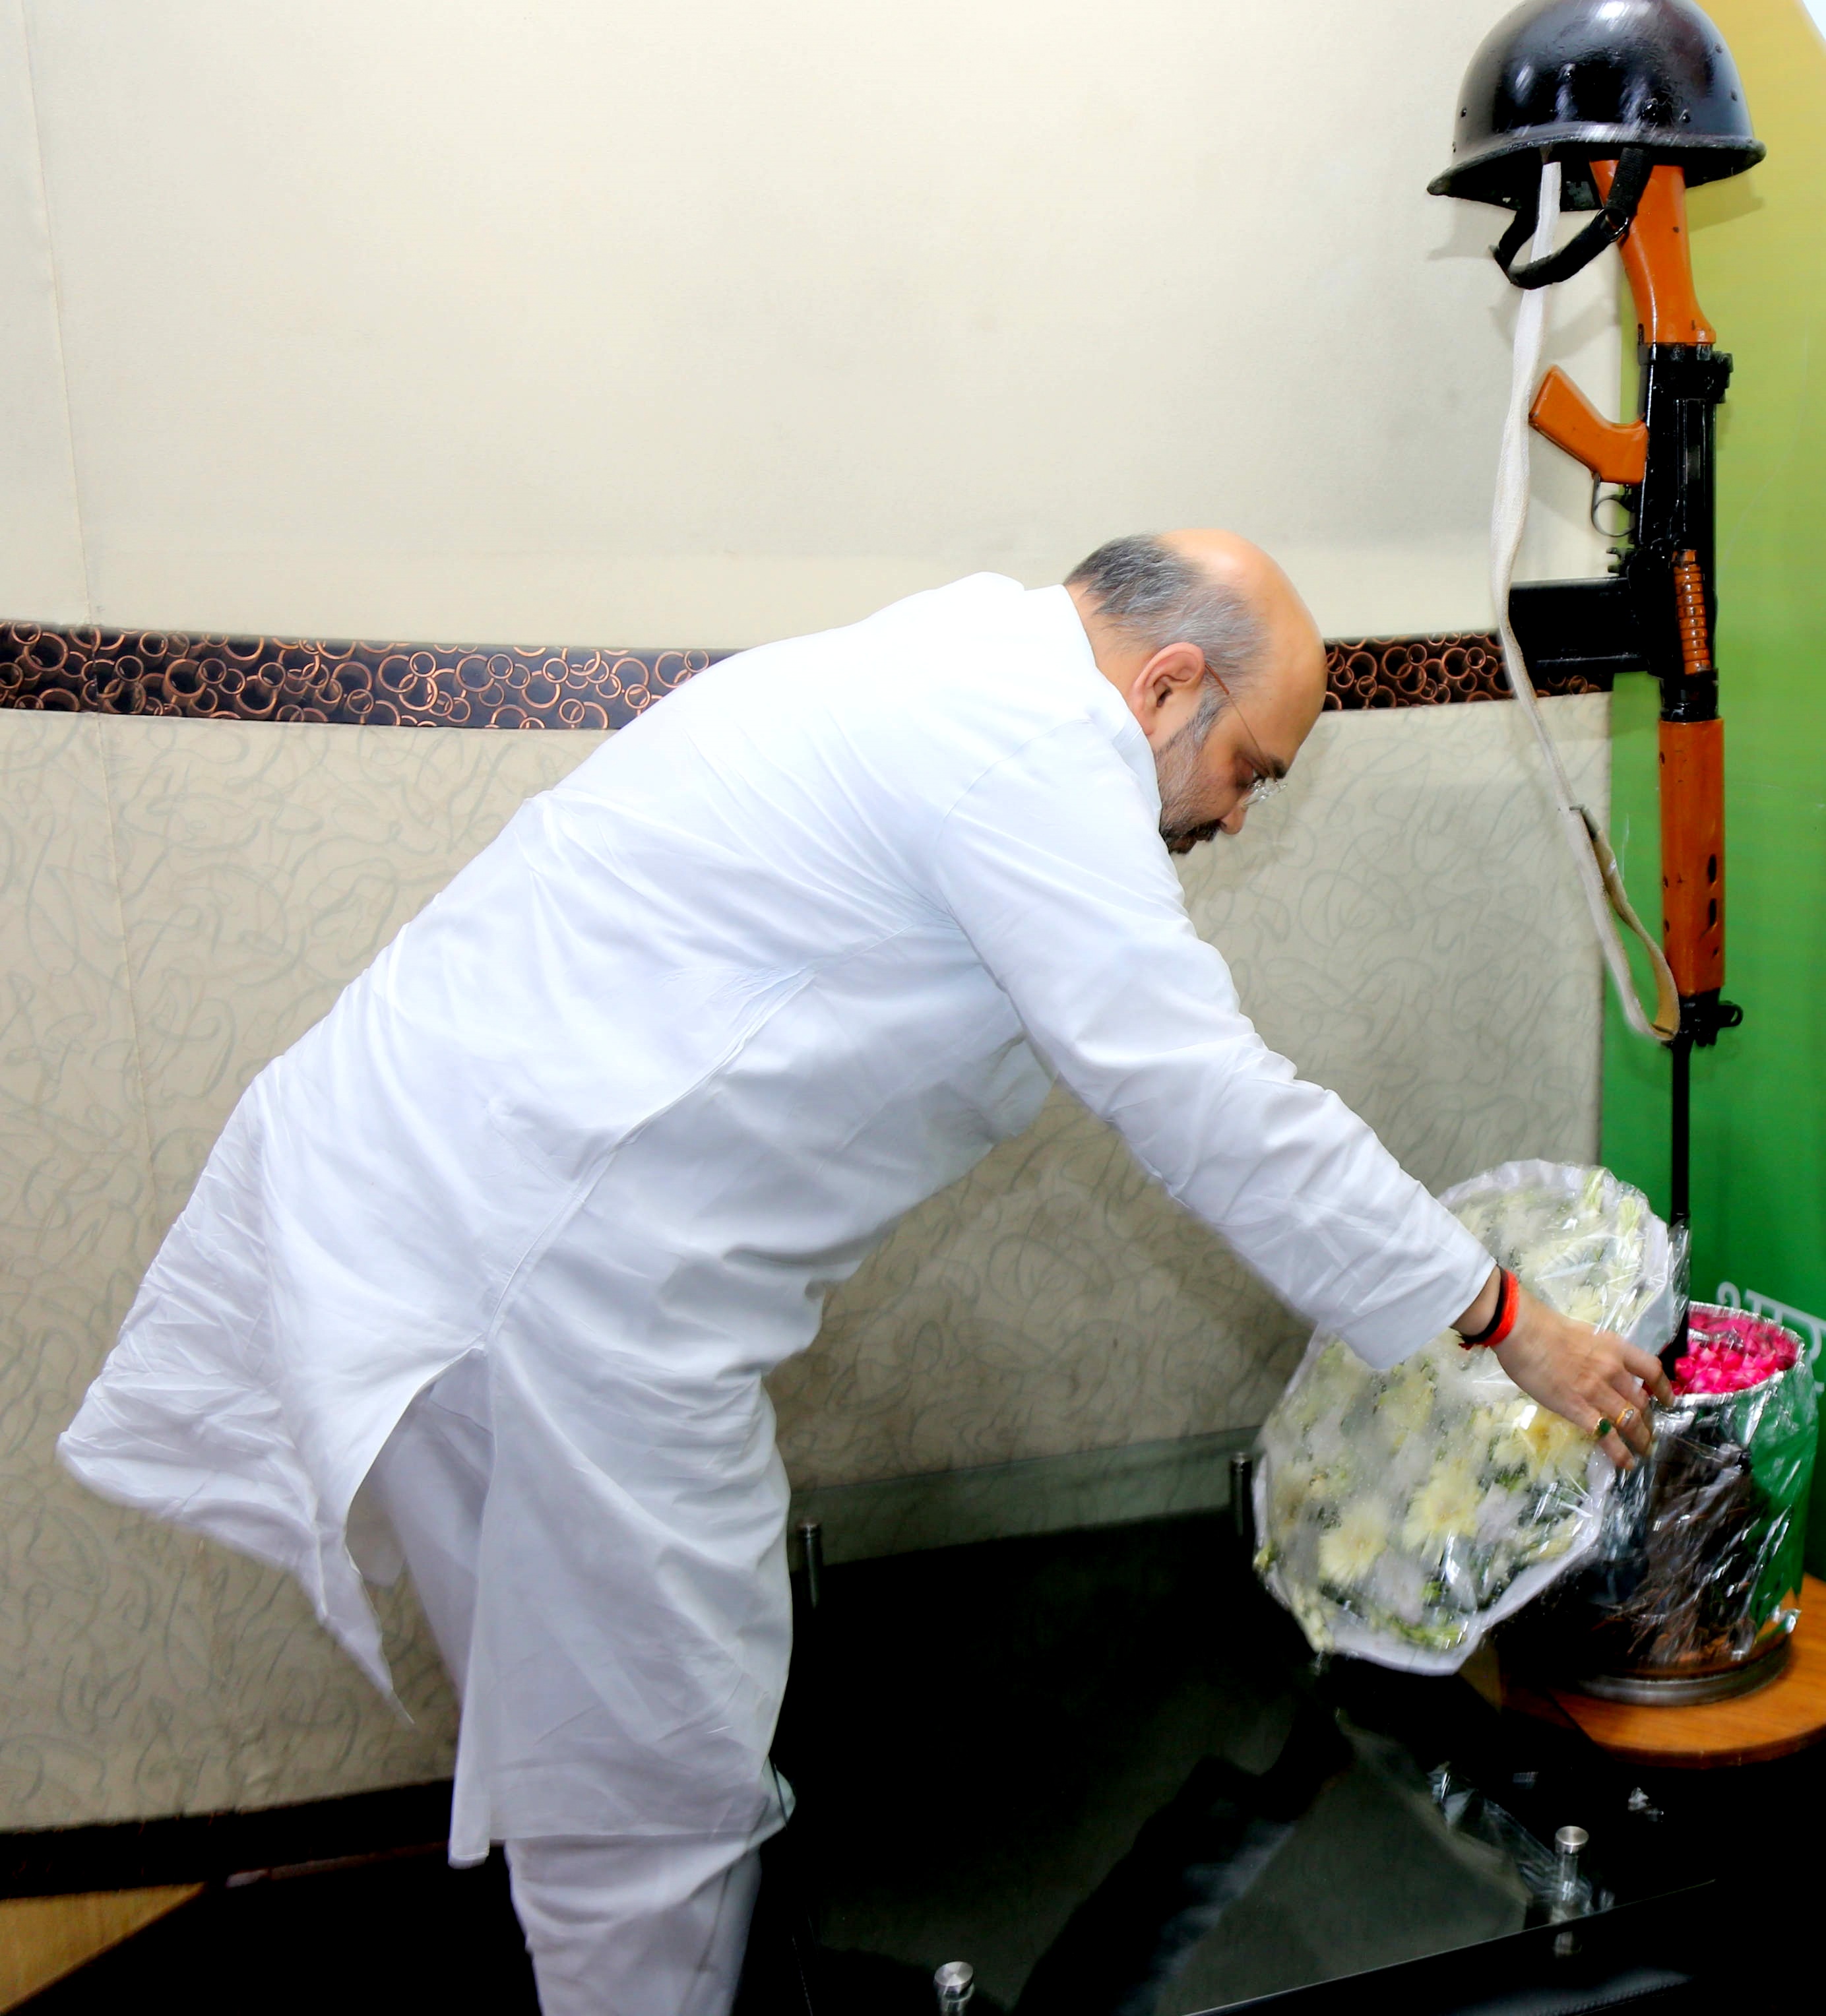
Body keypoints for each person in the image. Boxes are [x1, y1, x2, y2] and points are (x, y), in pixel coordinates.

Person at [59, 531, 1671, 2015]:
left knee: (611, 1745)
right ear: (1165, 686)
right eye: (1248, 768)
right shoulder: (1029, 744)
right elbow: (1200, 1093)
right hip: (545, 1278)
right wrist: (1502, 1316)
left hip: (464, 1218)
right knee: (656, 1785)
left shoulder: (966, 670)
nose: (1237, 813)